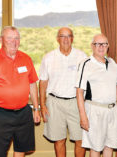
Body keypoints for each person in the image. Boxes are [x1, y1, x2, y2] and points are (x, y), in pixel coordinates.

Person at [0, 26, 41, 157]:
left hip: (23, 113)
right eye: (9, 38)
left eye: (17, 38)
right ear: (1, 40)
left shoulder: (26, 58)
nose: (14, 42)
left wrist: (36, 108)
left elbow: (32, 84)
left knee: (21, 149)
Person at [39, 27, 86, 157]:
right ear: (57, 39)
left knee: (80, 139)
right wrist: (42, 105)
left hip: (76, 103)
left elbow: (88, 81)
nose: (66, 39)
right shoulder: (48, 57)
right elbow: (43, 82)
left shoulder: (81, 56)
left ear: (73, 38)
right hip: (55, 103)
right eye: (62, 36)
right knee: (59, 140)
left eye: (69, 36)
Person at [76, 34, 117, 157]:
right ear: (92, 46)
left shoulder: (112, 63)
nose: (101, 47)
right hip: (94, 111)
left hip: (112, 111)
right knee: (95, 147)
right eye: (97, 44)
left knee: (109, 145)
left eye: (104, 44)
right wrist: (83, 116)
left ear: (108, 46)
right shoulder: (86, 63)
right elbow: (79, 92)